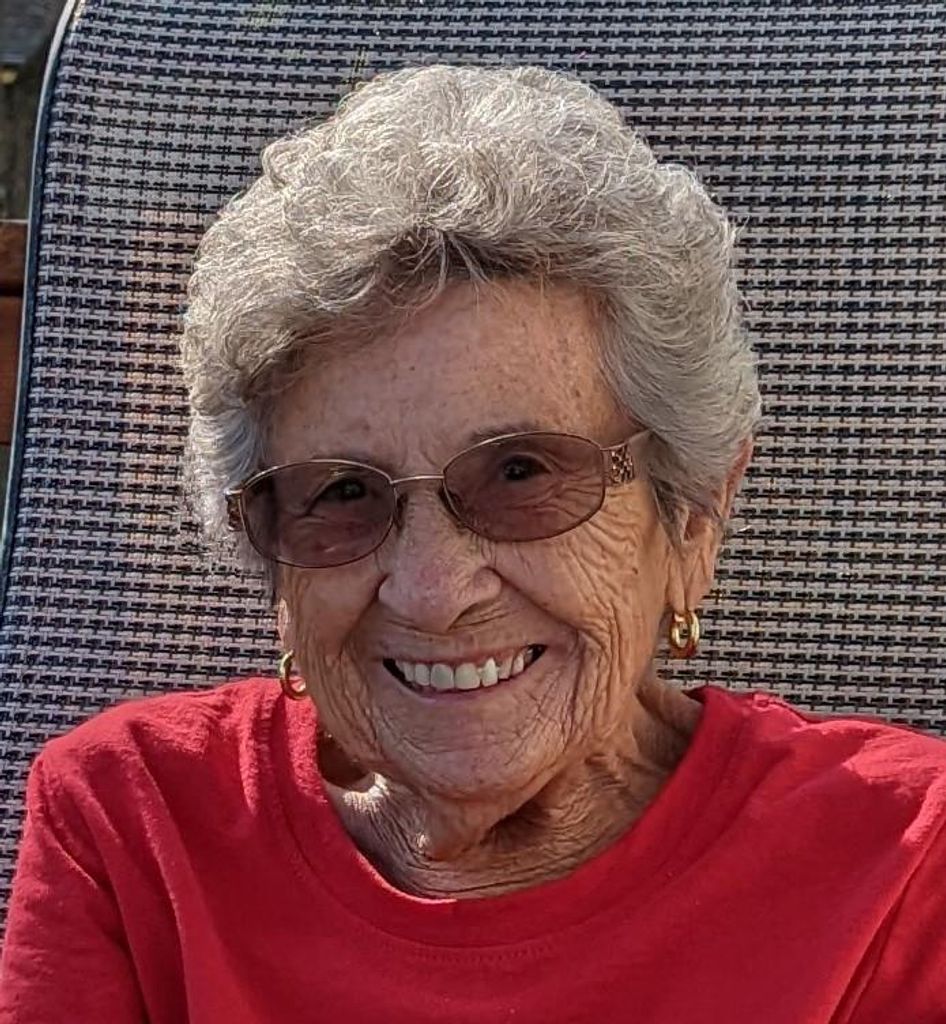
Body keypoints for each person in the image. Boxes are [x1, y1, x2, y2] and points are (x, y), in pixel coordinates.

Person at [1, 64, 944, 1024]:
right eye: (341, 494)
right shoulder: (132, 824)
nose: (431, 591)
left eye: (522, 474)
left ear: (695, 514)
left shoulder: (901, 860)